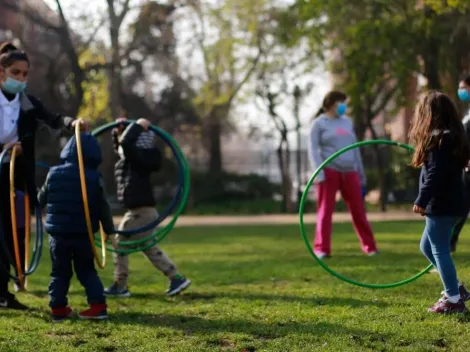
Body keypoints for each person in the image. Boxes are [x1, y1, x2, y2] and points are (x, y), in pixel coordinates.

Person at [0, 42, 88, 310]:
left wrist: (73, 123)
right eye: (16, 73)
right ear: (1, 72)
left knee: (16, 228)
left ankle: (13, 279)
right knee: (2, 230)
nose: (21, 79)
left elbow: (53, 119)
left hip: (16, 172)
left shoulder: (27, 103)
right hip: (2, 164)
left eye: (25, 74)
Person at [104, 117, 191, 298]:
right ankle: (176, 277)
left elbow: (127, 145)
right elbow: (122, 147)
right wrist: (118, 131)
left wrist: (135, 127)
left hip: (142, 211)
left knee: (120, 244)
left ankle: (120, 285)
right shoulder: (129, 157)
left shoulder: (143, 156)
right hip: (137, 210)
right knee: (147, 245)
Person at [38, 132, 114, 322]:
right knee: (87, 270)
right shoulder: (93, 176)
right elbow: (103, 205)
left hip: (58, 235)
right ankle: (98, 306)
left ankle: (58, 308)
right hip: (83, 233)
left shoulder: (53, 173)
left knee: (59, 272)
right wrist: (108, 230)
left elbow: (41, 199)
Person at [410, 90, 470, 313]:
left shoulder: (441, 140)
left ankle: (453, 299)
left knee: (439, 250)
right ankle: (456, 289)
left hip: (442, 205)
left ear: (429, 115)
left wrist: (422, 199)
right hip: (455, 204)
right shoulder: (454, 137)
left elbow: (435, 173)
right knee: (427, 246)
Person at [308, 91, 378, 258]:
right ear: (332, 103)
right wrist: (319, 172)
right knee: (325, 212)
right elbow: (313, 150)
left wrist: (360, 173)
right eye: (342, 103)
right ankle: (322, 248)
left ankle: (370, 247)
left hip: (350, 171)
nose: (344, 107)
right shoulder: (319, 124)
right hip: (329, 171)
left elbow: (354, 148)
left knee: (359, 211)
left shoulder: (347, 122)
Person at [449, 73, 470, 252]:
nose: (461, 91)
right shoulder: (468, 111)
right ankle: (449, 241)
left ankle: (449, 242)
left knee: (461, 204)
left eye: (464, 87)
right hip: (466, 166)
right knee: (461, 205)